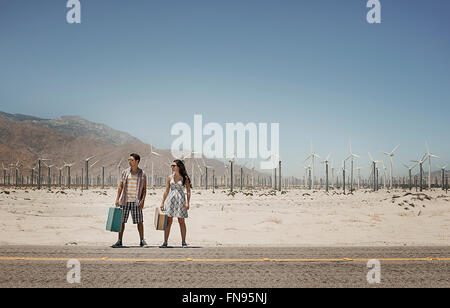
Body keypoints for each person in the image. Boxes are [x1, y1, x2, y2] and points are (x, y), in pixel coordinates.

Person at [112, 153, 147, 248]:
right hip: (124, 200)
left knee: (139, 221)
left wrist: (142, 201)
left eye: (131, 160)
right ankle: (119, 241)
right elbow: (120, 186)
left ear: (137, 161)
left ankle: (142, 240)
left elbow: (144, 189)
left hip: (136, 201)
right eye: (129, 160)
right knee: (121, 222)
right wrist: (117, 199)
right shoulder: (125, 172)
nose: (130, 162)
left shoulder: (142, 173)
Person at [159, 159, 192, 248]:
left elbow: (188, 191)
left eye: (174, 166)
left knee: (181, 221)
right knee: (168, 221)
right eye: (171, 166)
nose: (172, 167)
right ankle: (165, 242)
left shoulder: (185, 177)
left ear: (178, 167)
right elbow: (166, 191)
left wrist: (187, 203)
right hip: (170, 200)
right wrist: (162, 202)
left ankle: (184, 242)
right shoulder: (170, 177)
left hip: (181, 200)